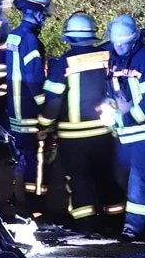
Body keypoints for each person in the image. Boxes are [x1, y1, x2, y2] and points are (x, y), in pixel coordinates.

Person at [38, 12, 124, 235]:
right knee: (107, 177)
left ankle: (88, 226)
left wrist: (43, 125)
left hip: (73, 137)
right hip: (105, 132)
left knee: (79, 181)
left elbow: (53, 100)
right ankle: (115, 222)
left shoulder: (63, 64)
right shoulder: (107, 57)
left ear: (70, 38)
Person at [103, 14, 145, 242]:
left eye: (123, 42)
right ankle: (138, 221)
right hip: (127, 133)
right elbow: (115, 91)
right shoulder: (114, 58)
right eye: (116, 42)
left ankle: (134, 228)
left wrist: (125, 118)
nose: (119, 46)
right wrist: (110, 106)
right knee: (123, 177)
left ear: (134, 40)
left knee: (139, 179)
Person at [5, 0, 54, 219]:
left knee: (21, 158)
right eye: (44, 14)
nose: (45, 19)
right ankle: (35, 209)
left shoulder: (14, 36)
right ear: (36, 13)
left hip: (14, 109)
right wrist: (46, 109)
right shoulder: (32, 41)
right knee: (37, 161)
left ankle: (18, 201)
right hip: (29, 113)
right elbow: (35, 80)